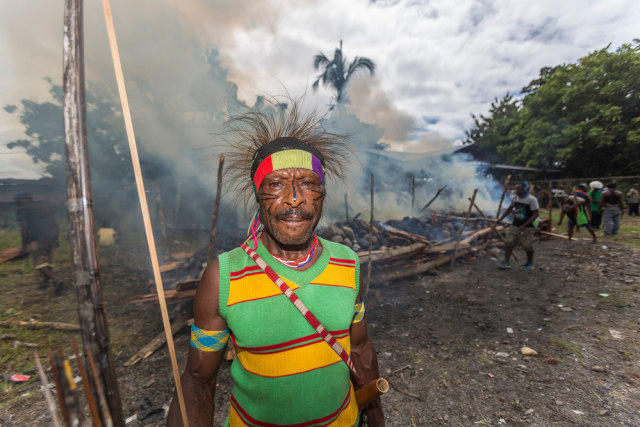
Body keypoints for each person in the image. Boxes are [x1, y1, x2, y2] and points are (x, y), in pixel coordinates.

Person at [167, 101, 384, 426]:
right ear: (258, 194)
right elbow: (198, 381)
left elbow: (362, 347)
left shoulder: (348, 264)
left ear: (322, 194)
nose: (295, 197)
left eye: (309, 183)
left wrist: (377, 417)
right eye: (277, 183)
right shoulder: (223, 277)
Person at [14, 193, 64, 295]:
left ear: (22, 200)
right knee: (48, 262)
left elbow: (24, 228)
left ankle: (55, 280)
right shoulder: (43, 207)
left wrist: (24, 246)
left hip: (38, 237)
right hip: (53, 236)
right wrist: (56, 238)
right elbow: (54, 222)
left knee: (39, 263)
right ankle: (45, 283)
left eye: (17, 201)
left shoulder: (23, 209)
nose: (17, 204)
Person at [496, 182, 539, 271]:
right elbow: (509, 209)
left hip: (529, 225)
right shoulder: (515, 198)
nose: (516, 191)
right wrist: (500, 219)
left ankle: (529, 263)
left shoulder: (532, 200)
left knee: (527, 245)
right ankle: (506, 262)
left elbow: (535, 214)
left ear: (525, 189)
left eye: (519, 189)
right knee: (509, 241)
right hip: (516, 223)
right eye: (516, 189)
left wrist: (524, 225)